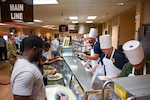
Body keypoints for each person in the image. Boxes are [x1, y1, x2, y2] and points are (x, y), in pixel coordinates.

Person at [11, 35, 45, 100]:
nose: (41, 54)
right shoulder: (27, 71)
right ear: (34, 49)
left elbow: (36, 78)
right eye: (41, 51)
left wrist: (41, 65)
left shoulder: (24, 62)